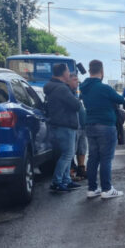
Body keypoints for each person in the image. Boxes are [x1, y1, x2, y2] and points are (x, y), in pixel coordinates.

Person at [80, 60, 125, 199]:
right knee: (106, 158)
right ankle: (107, 189)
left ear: (89, 71)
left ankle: (92, 188)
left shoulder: (84, 88)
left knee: (93, 157)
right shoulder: (104, 88)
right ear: (102, 71)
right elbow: (120, 99)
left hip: (90, 125)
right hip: (105, 125)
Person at [43, 63, 83, 192]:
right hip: (65, 124)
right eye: (67, 71)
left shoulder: (51, 87)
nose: (68, 73)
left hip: (57, 124)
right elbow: (76, 105)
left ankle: (66, 180)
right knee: (67, 154)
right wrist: (77, 98)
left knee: (67, 154)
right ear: (63, 73)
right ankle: (57, 181)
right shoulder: (62, 89)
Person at [67, 73, 87, 180]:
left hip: (81, 125)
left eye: (77, 80)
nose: (77, 82)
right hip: (73, 126)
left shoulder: (75, 92)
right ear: (68, 81)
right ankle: (70, 172)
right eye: (74, 80)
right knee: (71, 150)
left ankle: (81, 169)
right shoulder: (67, 92)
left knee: (82, 148)